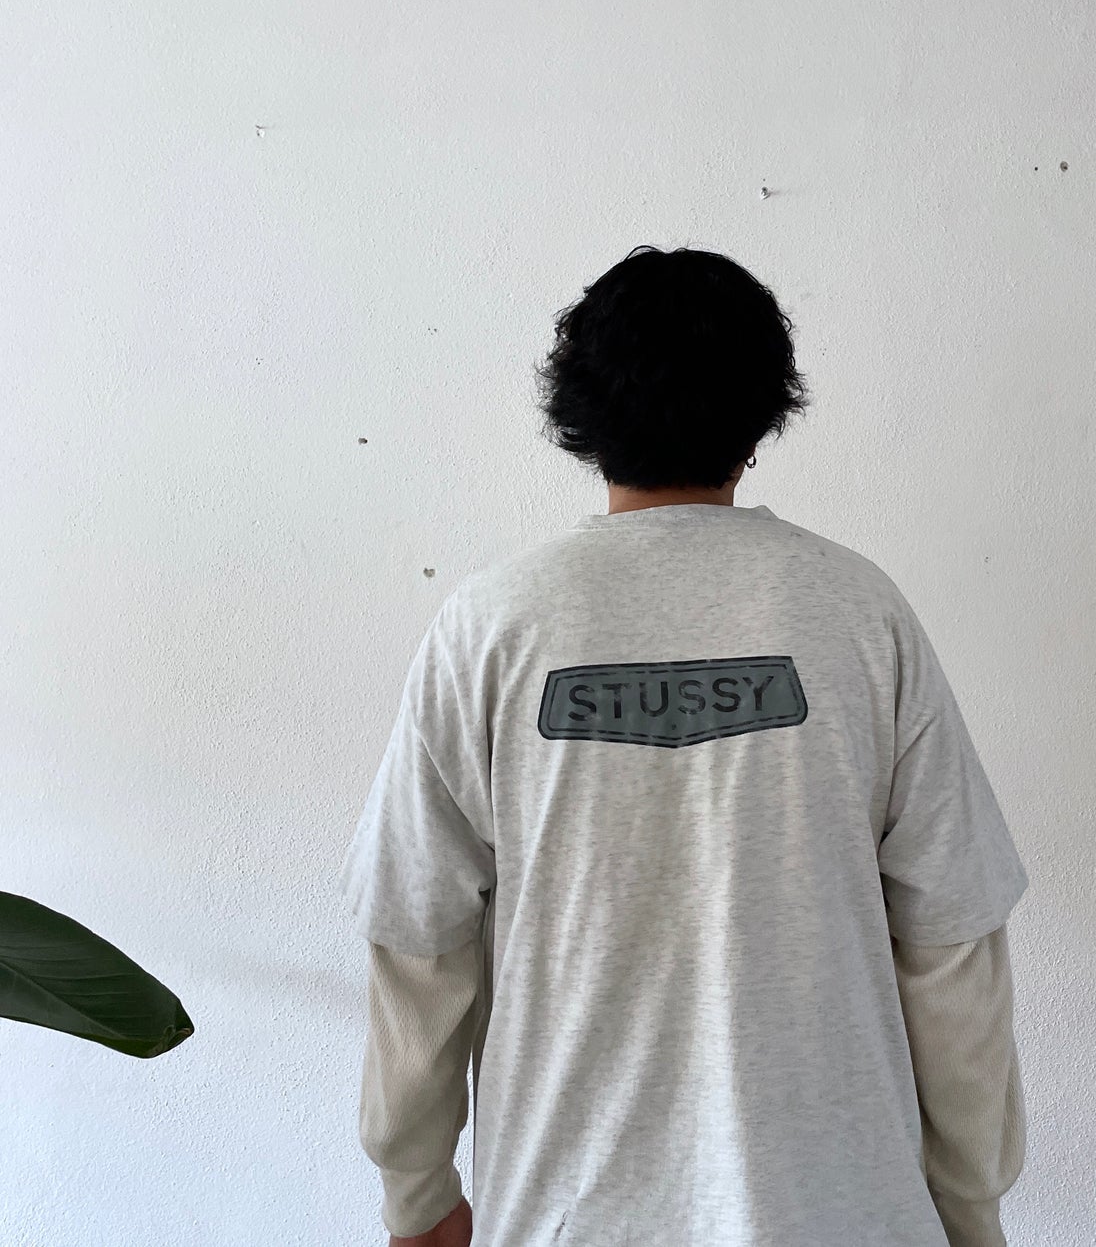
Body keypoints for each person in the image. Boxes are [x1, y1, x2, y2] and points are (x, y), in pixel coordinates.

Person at [339, 244, 1030, 1247]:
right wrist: (969, 1209)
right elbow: (951, 945)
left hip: (565, 1216)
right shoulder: (858, 615)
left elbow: (417, 938)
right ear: (761, 416)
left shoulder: (492, 626)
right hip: (841, 1214)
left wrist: (416, 1193)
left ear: (580, 418)